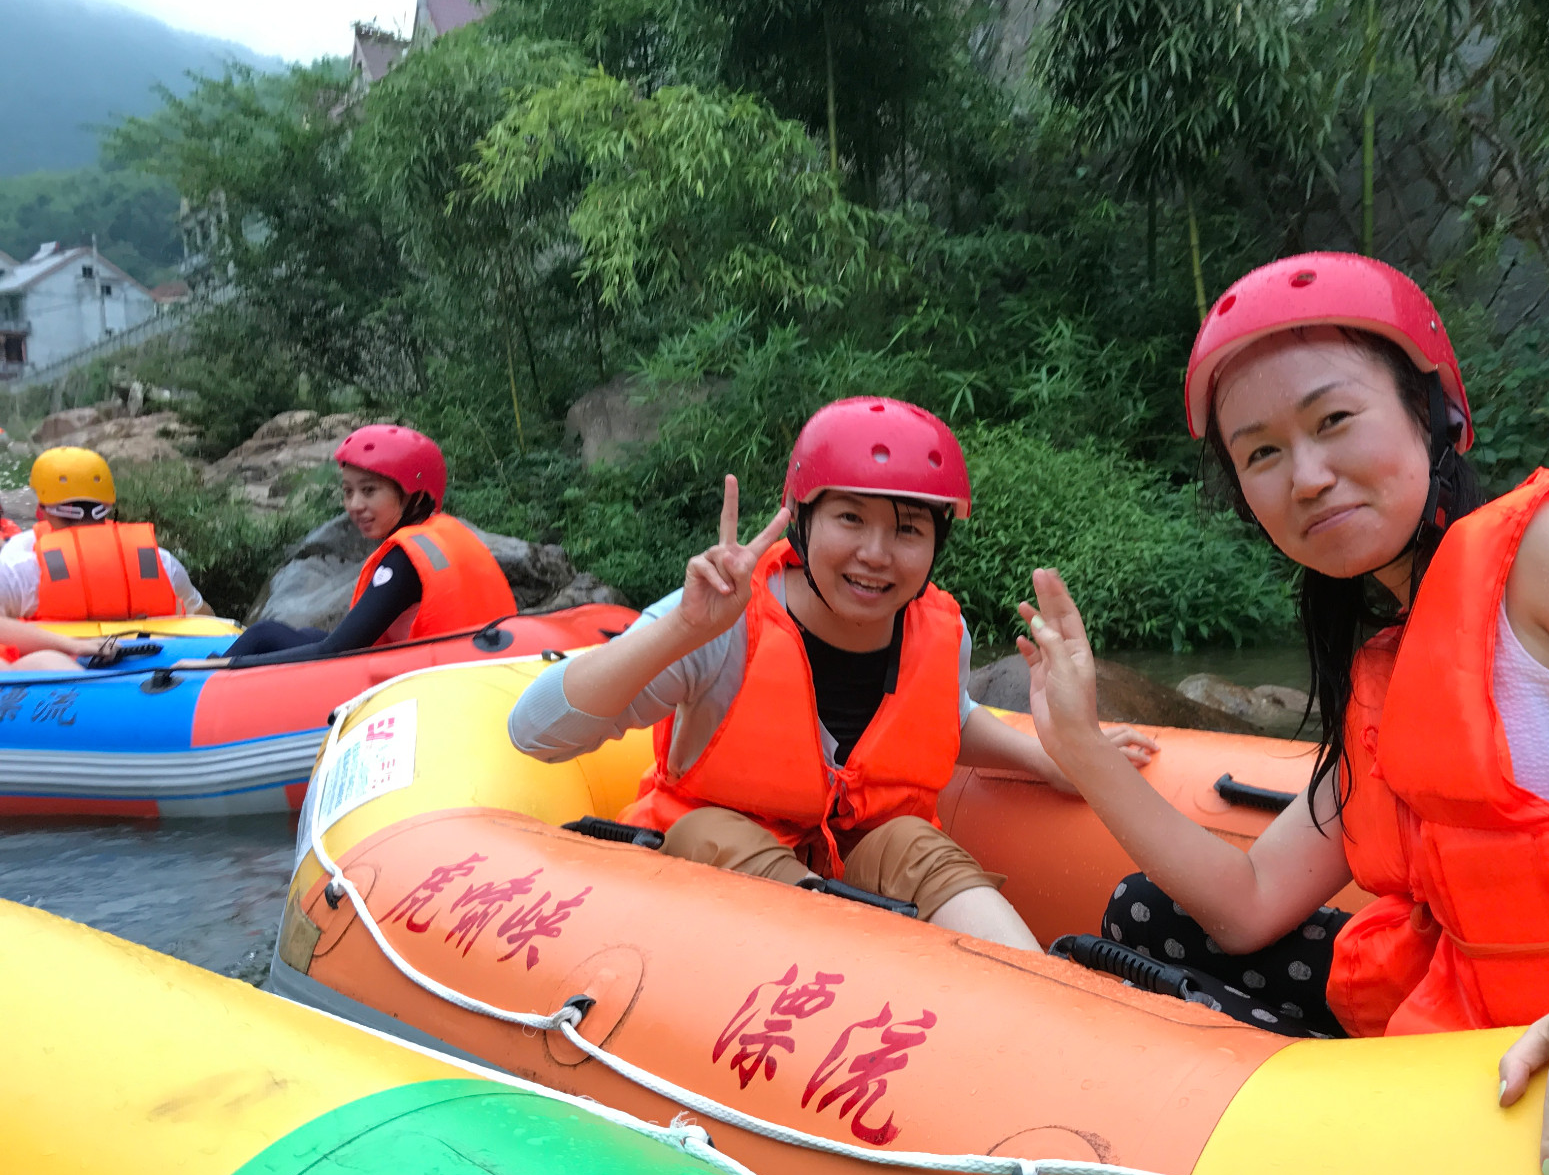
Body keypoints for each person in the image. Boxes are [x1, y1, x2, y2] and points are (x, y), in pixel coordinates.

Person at [1019, 253, 1549, 1175]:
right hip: (1467, 1038)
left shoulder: (1548, 554)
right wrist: (1080, 747)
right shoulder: (1394, 662)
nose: (1309, 477)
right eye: (1262, 453)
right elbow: (1243, 905)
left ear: (1433, 414)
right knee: (1138, 922)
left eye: (1334, 421)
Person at [508, 396, 1156, 952]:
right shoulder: (719, 617)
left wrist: (1051, 758)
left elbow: (944, 720)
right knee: (715, 832)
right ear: (803, 520)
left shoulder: (939, 628)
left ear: (936, 545)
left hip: (850, 857)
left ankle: (1033, 989)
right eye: (850, 518)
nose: (875, 555)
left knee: (912, 840)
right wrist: (683, 630)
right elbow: (534, 732)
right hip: (712, 868)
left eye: (907, 529)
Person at [223, 425, 516, 664]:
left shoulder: (404, 561)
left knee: (264, 636)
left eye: (369, 490)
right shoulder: (445, 532)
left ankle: (198, 683)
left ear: (414, 495)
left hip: (434, 682)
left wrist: (220, 667)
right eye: (348, 491)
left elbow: (336, 652)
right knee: (278, 634)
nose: (354, 505)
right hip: (475, 663)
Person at [0, 448, 211, 622]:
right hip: (147, 664)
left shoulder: (19, 565)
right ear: (108, 506)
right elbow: (205, 618)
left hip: (55, 666)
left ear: (41, 511)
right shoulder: (159, 561)